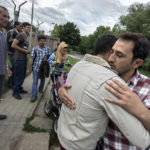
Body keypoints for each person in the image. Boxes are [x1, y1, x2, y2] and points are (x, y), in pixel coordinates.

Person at [57, 33, 150, 150]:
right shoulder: (102, 78)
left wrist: (141, 111)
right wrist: (62, 90)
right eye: (112, 52)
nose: (110, 59)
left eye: (119, 55)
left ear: (137, 63)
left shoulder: (147, 88)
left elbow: (144, 141)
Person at [27, 35, 51, 102]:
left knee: (43, 80)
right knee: (35, 82)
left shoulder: (47, 49)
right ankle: (34, 96)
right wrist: (29, 68)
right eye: (41, 41)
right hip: (36, 68)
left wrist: (47, 57)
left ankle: (40, 89)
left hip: (44, 69)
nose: (43, 42)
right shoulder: (35, 49)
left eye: (44, 41)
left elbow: (51, 57)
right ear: (38, 41)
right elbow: (31, 58)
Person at [11, 22, 31, 100]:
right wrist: (24, 51)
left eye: (30, 28)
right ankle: (15, 92)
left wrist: (26, 51)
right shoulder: (20, 35)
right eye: (28, 27)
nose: (29, 29)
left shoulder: (26, 36)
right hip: (18, 59)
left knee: (22, 76)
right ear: (23, 28)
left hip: (23, 59)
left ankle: (19, 89)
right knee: (19, 76)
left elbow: (24, 47)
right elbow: (13, 45)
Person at [0, 6, 11, 120]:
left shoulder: (3, 34)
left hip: (1, 71)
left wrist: (7, 66)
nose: (7, 19)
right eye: (4, 16)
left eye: (8, 17)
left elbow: (4, 53)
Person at [6, 21, 23, 88]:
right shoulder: (12, 31)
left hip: (15, 53)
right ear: (16, 26)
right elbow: (10, 41)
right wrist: (18, 41)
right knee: (14, 68)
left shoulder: (18, 32)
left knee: (14, 68)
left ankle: (11, 83)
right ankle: (9, 84)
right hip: (11, 52)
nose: (21, 27)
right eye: (20, 26)